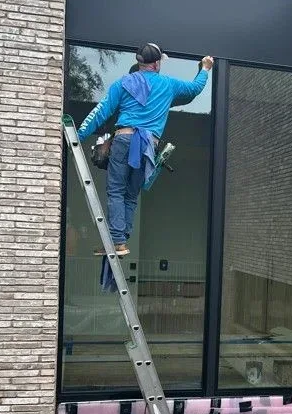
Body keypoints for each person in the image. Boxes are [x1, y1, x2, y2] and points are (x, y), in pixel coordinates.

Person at [78, 43, 213, 256]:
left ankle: (117, 241)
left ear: (139, 63)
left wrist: (77, 137)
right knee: (131, 194)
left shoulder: (123, 83)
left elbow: (101, 112)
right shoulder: (168, 85)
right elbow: (194, 90)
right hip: (148, 146)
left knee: (116, 191)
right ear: (157, 62)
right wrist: (205, 68)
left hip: (124, 140)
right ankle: (121, 240)